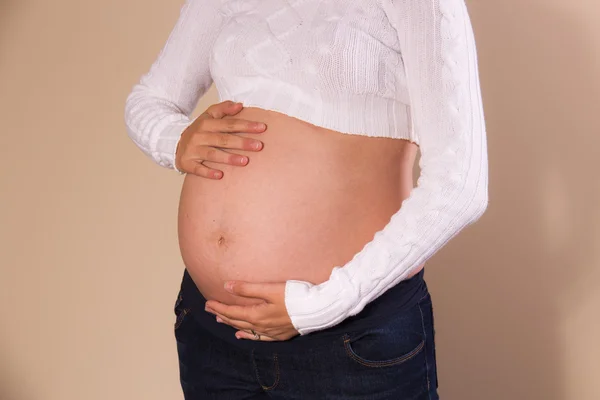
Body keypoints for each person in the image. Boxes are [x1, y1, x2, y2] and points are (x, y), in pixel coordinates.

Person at [124, 0, 488, 398]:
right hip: (214, 333)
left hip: (350, 337)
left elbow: (460, 184)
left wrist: (322, 305)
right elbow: (151, 98)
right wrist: (172, 138)